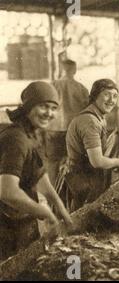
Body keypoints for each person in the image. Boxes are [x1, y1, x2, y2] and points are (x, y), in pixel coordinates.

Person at [0, 82, 73, 261]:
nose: (49, 113)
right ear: (29, 107)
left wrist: (61, 209)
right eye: (43, 106)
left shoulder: (30, 133)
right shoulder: (16, 139)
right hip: (6, 225)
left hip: (20, 220)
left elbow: (39, 175)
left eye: (54, 108)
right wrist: (45, 212)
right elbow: (7, 191)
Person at [64, 79, 119, 211]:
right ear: (95, 95)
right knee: (81, 217)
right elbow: (97, 161)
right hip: (83, 178)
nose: (111, 100)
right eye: (107, 94)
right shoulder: (90, 121)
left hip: (87, 175)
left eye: (115, 96)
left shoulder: (98, 117)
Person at [45, 60, 89, 186]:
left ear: (61, 69)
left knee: (53, 162)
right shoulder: (81, 88)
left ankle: (54, 196)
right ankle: (69, 194)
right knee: (74, 161)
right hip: (73, 131)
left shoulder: (52, 86)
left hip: (53, 129)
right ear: (74, 70)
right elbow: (87, 109)